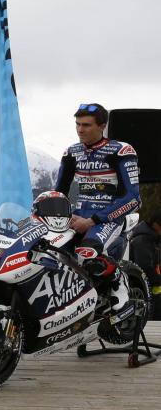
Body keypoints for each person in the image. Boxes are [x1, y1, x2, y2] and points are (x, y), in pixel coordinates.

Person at [54, 103, 140, 300]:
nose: (80, 130)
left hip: (110, 217)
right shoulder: (72, 152)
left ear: (102, 126)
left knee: (87, 253)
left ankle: (120, 283)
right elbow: (59, 192)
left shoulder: (121, 151)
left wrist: (93, 220)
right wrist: (64, 213)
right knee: (50, 252)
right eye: (77, 124)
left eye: (86, 125)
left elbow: (133, 198)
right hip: (78, 215)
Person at [130, 212, 161, 320]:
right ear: (156, 225)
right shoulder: (142, 240)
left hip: (154, 290)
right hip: (144, 292)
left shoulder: (154, 238)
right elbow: (144, 268)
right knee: (152, 321)